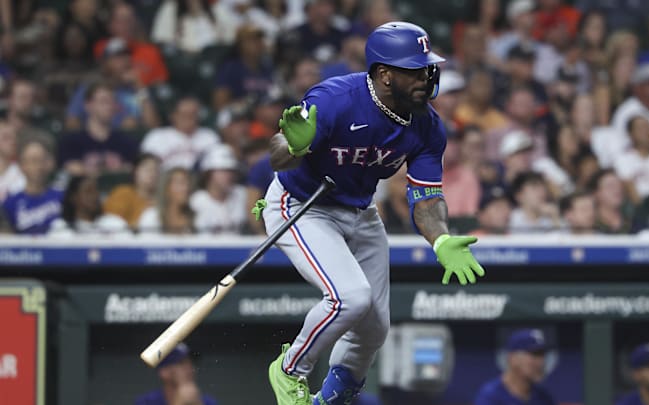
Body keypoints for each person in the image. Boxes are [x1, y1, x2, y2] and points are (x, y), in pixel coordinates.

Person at [263, 22, 486, 405]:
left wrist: (442, 238)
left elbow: (427, 198)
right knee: (350, 297)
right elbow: (278, 153)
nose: (427, 76)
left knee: (374, 329)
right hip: (302, 205)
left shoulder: (428, 127)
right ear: (384, 75)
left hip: (359, 211)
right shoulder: (337, 98)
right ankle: (289, 370)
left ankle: (330, 399)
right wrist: (295, 147)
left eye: (427, 67)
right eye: (415, 70)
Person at [58, 82, 139, 176]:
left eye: (112, 101)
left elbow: (133, 169)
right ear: (88, 105)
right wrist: (117, 170)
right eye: (104, 101)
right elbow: (71, 168)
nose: (109, 106)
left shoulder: (127, 142)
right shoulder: (71, 141)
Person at [474, 328, 556, 405]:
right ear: (512, 358)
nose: (541, 362)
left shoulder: (544, 398)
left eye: (542, 355)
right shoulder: (491, 397)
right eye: (534, 354)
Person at [94, 2, 168, 87]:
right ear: (110, 25)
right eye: (121, 21)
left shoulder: (150, 51)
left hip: (145, 95)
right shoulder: (102, 47)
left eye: (130, 20)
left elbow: (160, 83)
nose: (127, 25)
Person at [141, 97, 221, 170]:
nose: (189, 119)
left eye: (193, 114)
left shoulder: (209, 136)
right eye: (184, 114)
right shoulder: (156, 136)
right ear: (173, 115)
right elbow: (147, 168)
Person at [2, 137, 62, 235]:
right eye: (33, 161)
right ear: (22, 165)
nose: (38, 166)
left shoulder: (62, 197)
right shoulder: (10, 203)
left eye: (42, 160)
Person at [190, 143, 247, 234]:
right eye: (223, 171)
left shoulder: (242, 195)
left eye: (231, 171)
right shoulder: (195, 201)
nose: (228, 176)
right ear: (208, 174)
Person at [135, 343, 218, 405]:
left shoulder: (207, 402)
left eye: (190, 362)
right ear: (164, 371)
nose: (189, 367)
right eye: (181, 363)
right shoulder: (147, 402)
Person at [48, 175, 130, 236]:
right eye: (88, 191)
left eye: (96, 191)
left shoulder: (114, 223)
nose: (95, 196)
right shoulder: (60, 227)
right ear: (73, 198)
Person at [103, 153, 161, 230]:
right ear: (135, 171)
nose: (153, 174)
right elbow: (111, 222)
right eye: (148, 169)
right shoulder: (122, 193)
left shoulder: (163, 198)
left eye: (156, 170)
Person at [137, 167, 196, 234]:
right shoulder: (151, 216)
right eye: (181, 183)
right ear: (166, 188)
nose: (186, 188)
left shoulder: (196, 218)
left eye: (188, 183)